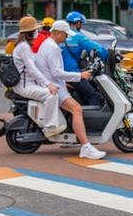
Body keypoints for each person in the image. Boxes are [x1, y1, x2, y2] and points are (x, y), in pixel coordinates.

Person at [38, 20, 106, 160]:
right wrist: (79, 75)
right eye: (64, 34)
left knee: (76, 103)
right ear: (57, 33)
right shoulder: (54, 48)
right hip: (54, 86)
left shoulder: (47, 44)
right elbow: (57, 72)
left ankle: (73, 139)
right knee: (77, 109)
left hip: (53, 83)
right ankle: (86, 147)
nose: (66, 38)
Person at [10, 16, 65, 137]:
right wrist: (48, 84)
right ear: (30, 32)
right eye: (36, 30)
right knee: (51, 94)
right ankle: (49, 127)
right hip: (25, 86)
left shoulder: (24, 46)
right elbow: (33, 70)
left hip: (29, 83)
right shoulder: (24, 47)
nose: (37, 32)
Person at [58, 12, 106, 106]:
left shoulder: (60, 37)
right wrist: (108, 55)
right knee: (94, 95)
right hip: (72, 74)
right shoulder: (77, 36)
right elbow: (96, 48)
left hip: (60, 73)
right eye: (81, 23)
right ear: (78, 23)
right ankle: (92, 119)